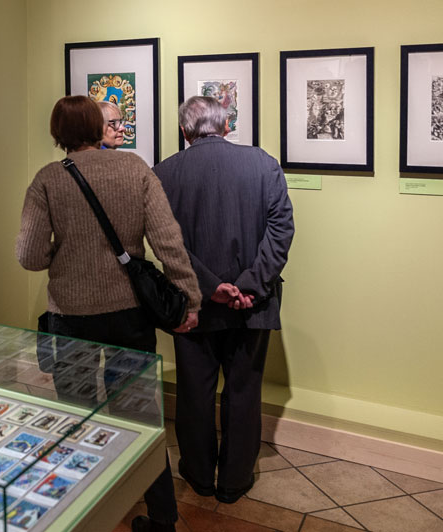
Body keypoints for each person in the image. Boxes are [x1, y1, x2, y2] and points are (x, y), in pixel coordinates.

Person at [17, 95, 201, 532]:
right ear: (96, 127)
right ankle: (162, 517)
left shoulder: (47, 179)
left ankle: (84, 512)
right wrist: (189, 298)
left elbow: (27, 256)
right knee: (139, 414)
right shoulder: (135, 168)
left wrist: (65, 254)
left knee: (77, 414)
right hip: (130, 312)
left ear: (58, 132)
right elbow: (168, 241)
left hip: (71, 314)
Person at [153, 96, 294, 504]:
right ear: (226, 125)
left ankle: (198, 475)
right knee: (244, 392)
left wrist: (212, 286)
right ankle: (234, 481)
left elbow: (167, 244)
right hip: (254, 303)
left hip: (194, 304)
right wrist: (250, 284)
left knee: (194, 393)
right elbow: (281, 229)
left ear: (185, 131)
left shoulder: (163, 173)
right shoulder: (263, 163)